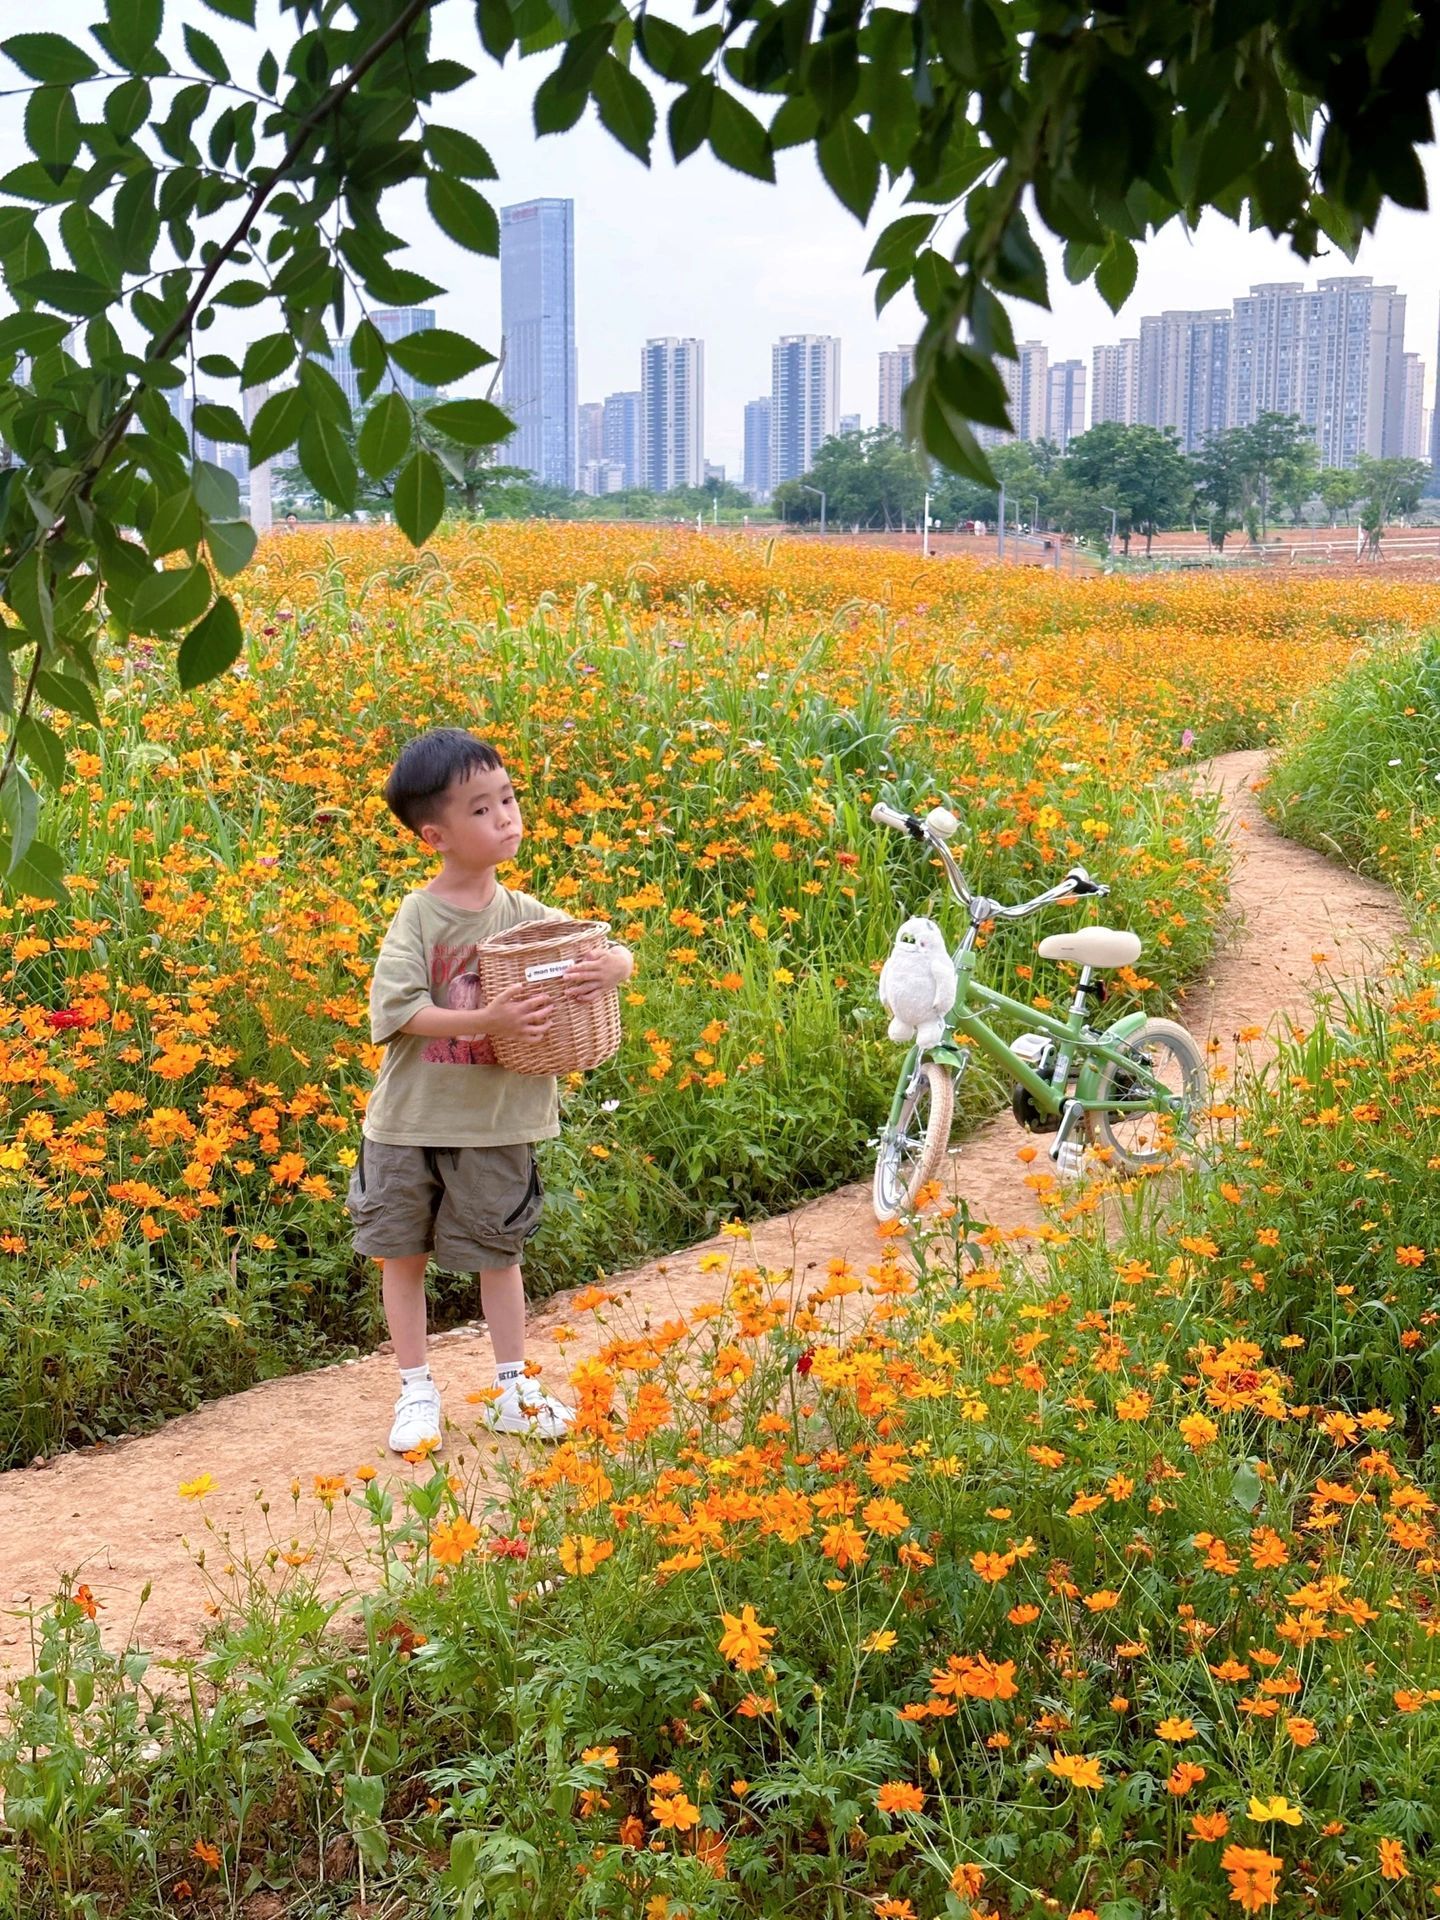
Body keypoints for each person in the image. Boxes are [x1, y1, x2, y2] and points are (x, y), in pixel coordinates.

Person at [346, 728, 634, 1452]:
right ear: (435, 836)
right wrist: (488, 1019)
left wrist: (617, 967)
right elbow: (398, 1011)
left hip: (498, 1122)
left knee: (500, 1257)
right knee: (401, 1256)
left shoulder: (525, 915)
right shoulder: (420, 914)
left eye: (507, 799)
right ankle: (416, 1390)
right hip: (409, 1122)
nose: (505, 817)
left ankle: (513, 1388)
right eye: (481, 809)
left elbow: (601, 948)